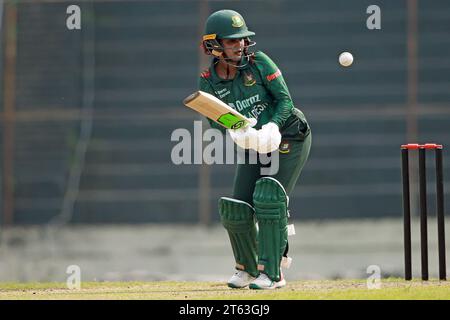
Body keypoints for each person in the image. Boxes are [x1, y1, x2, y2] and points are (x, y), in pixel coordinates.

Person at [198, 9, 312, 289]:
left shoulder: (259, 63)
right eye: (231, 41)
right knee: (237, 207)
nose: (239, 45)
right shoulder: (208, 80)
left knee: (269, 198)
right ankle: (247, 269)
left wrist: (272, 126)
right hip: (253, 143)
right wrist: (238, 133)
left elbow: (285, 101)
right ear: (214, 46)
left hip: (289, 135)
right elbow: (215, 122)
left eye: (242, 40)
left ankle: (273, 273)